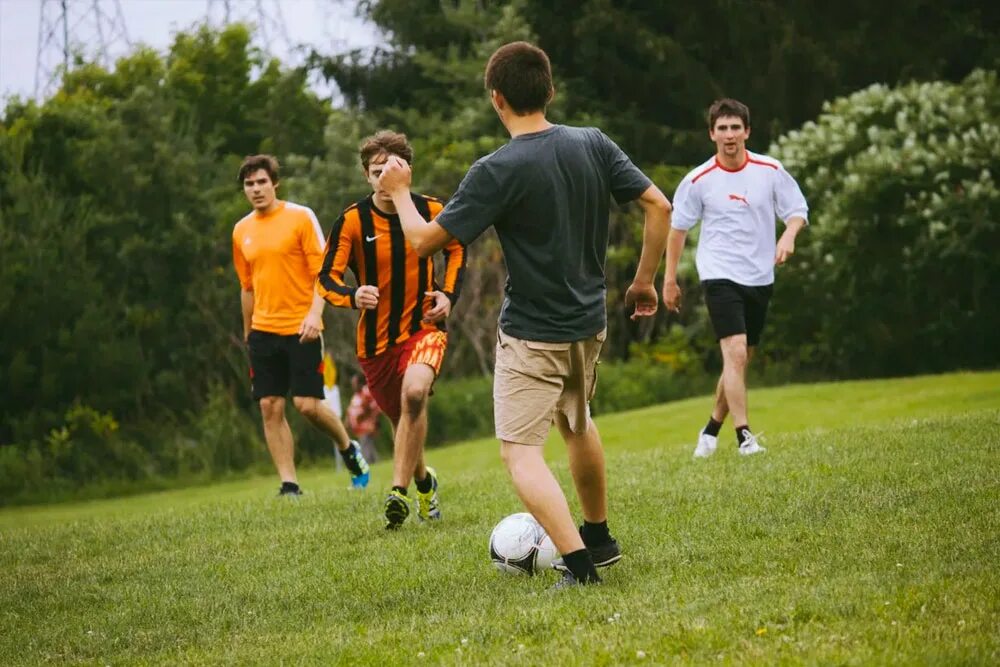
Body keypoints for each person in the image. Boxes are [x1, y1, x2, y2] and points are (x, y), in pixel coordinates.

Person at [377, 42, 672, 586]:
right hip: (590, 324)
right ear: (550, 90)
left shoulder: (497, 169)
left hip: (533, 333)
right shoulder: (593, 143)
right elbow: (660, 205)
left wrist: (398, 193)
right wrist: (644, 281)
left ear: (497, 100)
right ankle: (599, 536)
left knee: (520, 454)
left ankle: (580, 566)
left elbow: (421, 242)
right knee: (577, 422)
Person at [318, 131, 466, 529]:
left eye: (391, 169)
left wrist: (448, 293)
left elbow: (456, 248)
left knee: (415, 394)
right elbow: (325, 279)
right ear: (367, 177)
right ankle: (424, 481)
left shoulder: (431, 208)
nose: (383, 178)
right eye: (376, 171)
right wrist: (353, 295)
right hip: (375, 344)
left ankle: (397, 492)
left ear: (407, 171)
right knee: (403, 422)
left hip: (426, 328)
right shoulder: (351, 221)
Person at [663, 98, 808, 458]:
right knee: (736, 351)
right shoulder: (698, 180)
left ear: (747, 131)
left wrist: (788, 236)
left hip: (760, 275)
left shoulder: (769, 170)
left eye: (735, 127)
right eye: (722, 128)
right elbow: (677, 230)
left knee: (741, 359)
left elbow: (797, 211)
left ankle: (711, 429)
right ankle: (744, 437)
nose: (730, 135)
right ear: (712, 134)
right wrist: (668, 280)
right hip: (719, 273)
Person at [232, 154, 371, 496]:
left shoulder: (300, 217)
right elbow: (246, 286)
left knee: (307, 405)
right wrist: (248, 332)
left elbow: (322, 274)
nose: (256, 189)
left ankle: (347, 448)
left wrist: (315, 314)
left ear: (274, 183)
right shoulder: (241, 230)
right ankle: (289, 484)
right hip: (263, 330)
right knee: (269, 405)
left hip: (301, 325)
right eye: (249, 184)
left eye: (262, 181)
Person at [347, 373, 381, 465]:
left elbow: (372, 407)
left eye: (354, 383)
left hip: (367, 426)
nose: (353, 386)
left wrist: (362, 416)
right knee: (368, 446)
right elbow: (351, 410)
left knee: (366, 446)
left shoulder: (366, 392)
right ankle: (375, 462)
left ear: (359, 383)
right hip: (359, 428)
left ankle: (369, 463)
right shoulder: (356, 396)